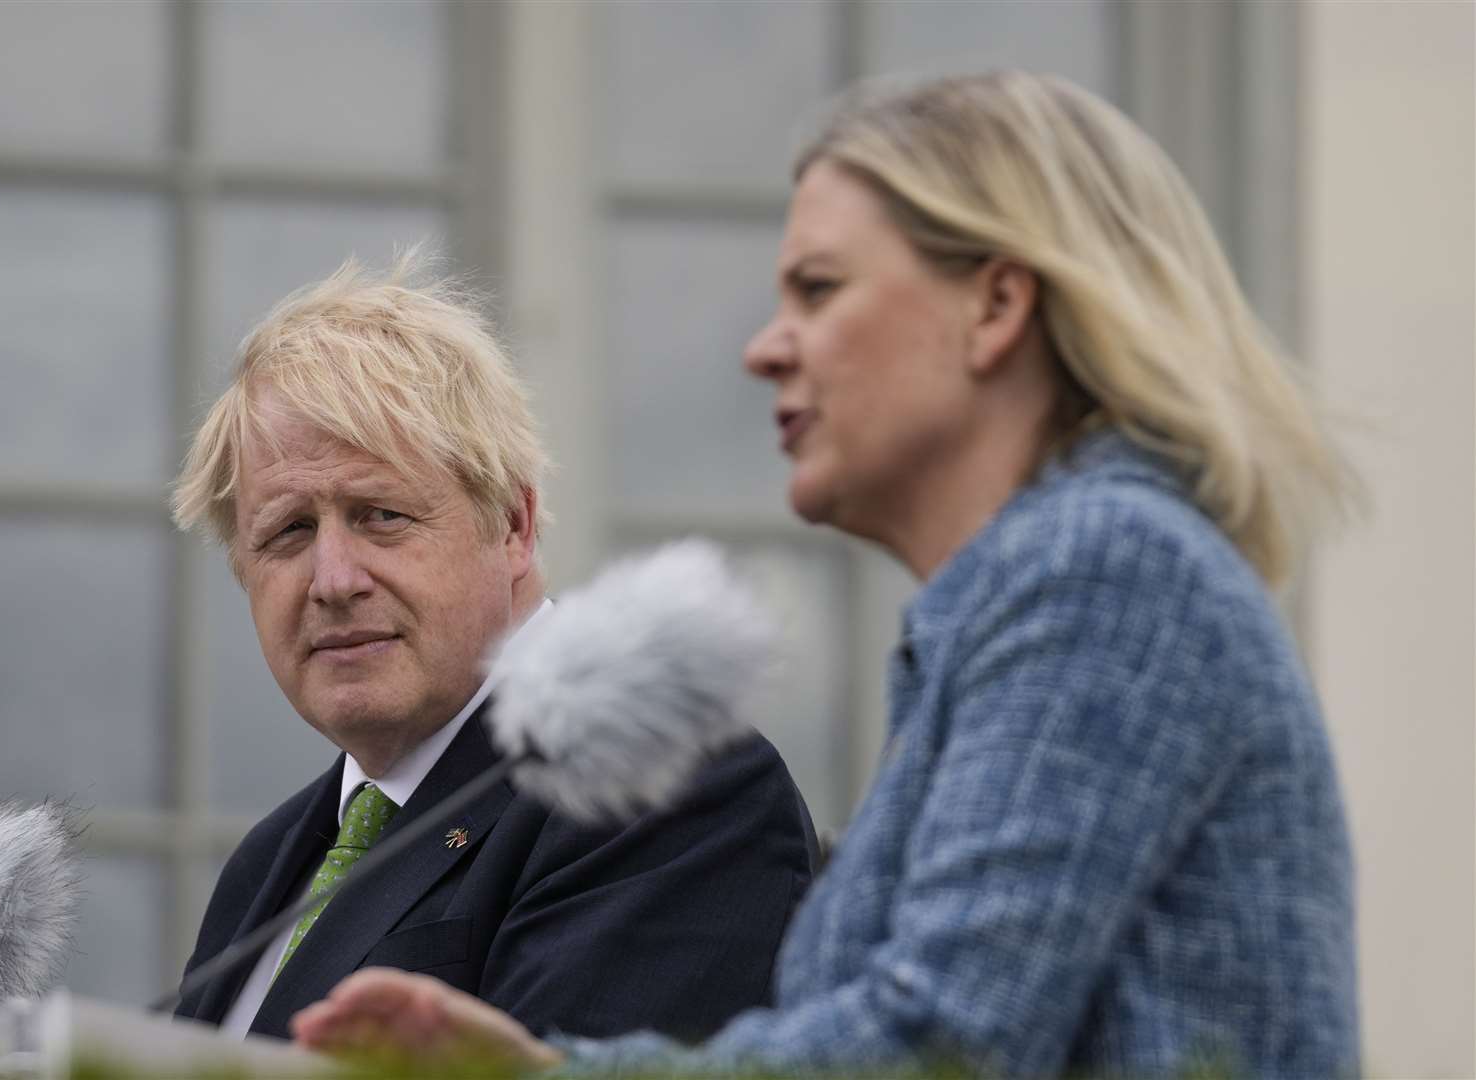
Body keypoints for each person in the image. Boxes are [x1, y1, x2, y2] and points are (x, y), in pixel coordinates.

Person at [289, 72, 1362, 1079]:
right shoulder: (1038, 593)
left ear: (995, 308)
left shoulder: (1100, 571)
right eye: (285, 532)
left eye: (818, 289)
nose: (767, 347)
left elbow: (937, 1043)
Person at [166, 258, 817, 1043]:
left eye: (381, 515)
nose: (332, 580)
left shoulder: (658, 785)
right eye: (289, 532)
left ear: (511, 525)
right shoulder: (265, 865)